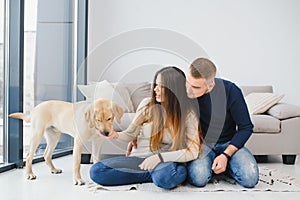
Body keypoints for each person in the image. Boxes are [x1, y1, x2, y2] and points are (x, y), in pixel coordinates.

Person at [89, 66, 203, 189]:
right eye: (156, 85)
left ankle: (159, 175)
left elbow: (193, 151)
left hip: (163, 162)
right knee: (97, 171)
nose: (155, 89)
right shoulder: (147, 105)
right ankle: (152, 176)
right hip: (139, 159)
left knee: (165, 176)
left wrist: (159, 158)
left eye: (161, 86)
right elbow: (130, 133)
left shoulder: (188, 114)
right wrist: (115, 135)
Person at [185, 57, 259, 188]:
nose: (189, 89)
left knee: (250, 178)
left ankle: (225, 164)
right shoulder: (185, 92)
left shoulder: (231, 91)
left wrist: (226, 155)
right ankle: (215, 166)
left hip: (228, 144)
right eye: (188, 82)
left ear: (210, 85)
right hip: (201, 145)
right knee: (198, 178)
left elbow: (246, 127)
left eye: (195, 87)